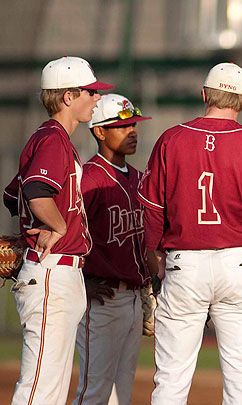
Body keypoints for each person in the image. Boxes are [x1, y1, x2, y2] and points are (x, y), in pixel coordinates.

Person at [137, 62, 242, 405]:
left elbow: (152, 208)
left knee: (172, 377)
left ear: (204, 95)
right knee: (240, 374)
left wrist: (154, 254)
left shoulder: (171, 138)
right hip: (237, 264)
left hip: (184, 263)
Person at [2, 56, 111, 404]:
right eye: (90, 92)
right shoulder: (52, 139)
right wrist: (57, 225)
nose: (96, 99)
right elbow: (35, 192)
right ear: (68, 97)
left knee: (50, 386)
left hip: (56, 272)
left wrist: (30, 229)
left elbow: (11, 195)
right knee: (40, 387)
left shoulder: (51, 139)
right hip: (51, 272)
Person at [72, 94, 151, 405]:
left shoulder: (139, 178)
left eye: (133, 124)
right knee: (95, 391)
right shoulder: (88, 179)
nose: (131, 131)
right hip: (102, 300)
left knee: (122, 391)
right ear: (100, 132)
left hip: (133, 298)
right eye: (121, 126)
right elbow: (67, 235)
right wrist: (81, 282)